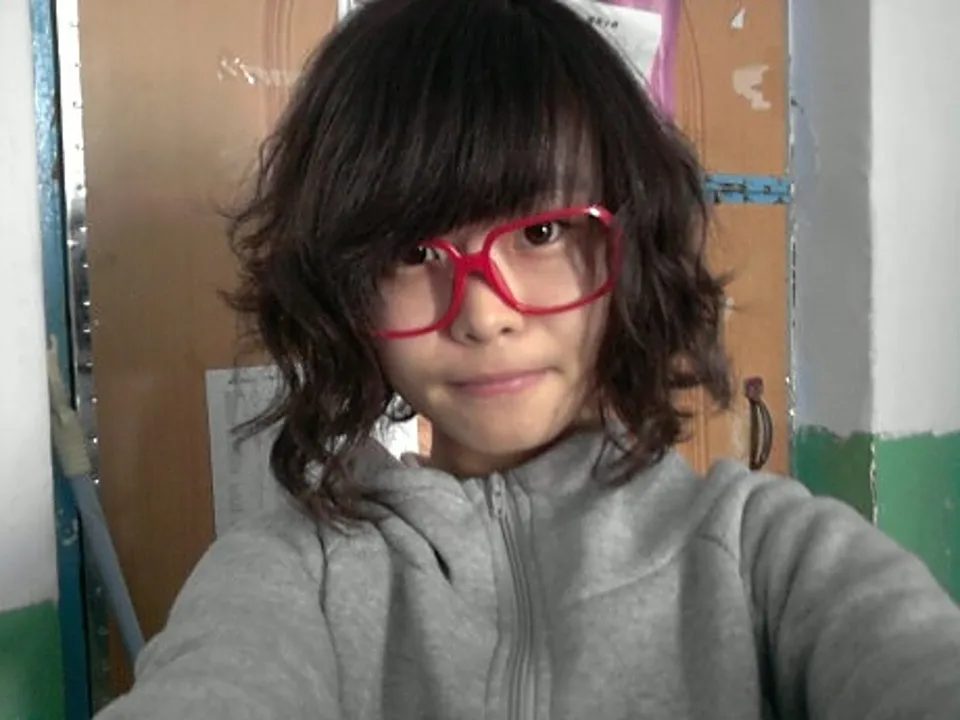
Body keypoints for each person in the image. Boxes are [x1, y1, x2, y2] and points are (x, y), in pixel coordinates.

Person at [97, 0, 960, 717]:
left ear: (631, 241)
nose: (483, 315)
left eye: (542, 233)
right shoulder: (291, 577)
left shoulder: (768, 554)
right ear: (344, 294)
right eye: (413, 254)